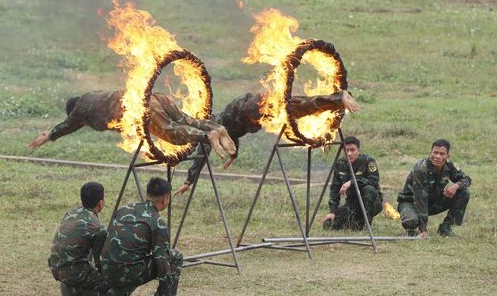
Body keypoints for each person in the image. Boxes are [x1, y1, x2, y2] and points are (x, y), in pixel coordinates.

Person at [175, 90, 360, 195]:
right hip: (253, 108)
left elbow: (202, 153)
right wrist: (234, 154)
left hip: (252, 106)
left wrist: (189, 180)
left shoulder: (215, 128)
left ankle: (338, 98)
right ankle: (336, 99)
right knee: (297, 107)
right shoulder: (225, 128)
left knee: (295, 107)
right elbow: (233, 137)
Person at [28, 90, 235, 160]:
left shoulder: (84, 104)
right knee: (185, 120)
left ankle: (206, 136)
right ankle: (215, 128)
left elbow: (69, 124)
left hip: (143, 106)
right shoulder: (99, 101)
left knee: (172, 133)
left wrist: (50, 136)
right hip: (156, 97)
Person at [100, 177, 182, 296]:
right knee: (175, 256)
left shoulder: (124, 209)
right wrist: (165, 289)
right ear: (165, 200)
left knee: (133, 258)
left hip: (106, 269)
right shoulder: (158, 223)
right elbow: (162, 262)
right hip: (127, 273)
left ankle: (117, 292)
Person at [397, 139, 471, 237]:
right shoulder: (421, 169)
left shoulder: (449, 166)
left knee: (464, 193)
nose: (437, 157)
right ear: (430, 153)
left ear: (447, 156)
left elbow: (467, 179)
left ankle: (445, 228)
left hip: (433, 202)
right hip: (411, 203)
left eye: (442, 154)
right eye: (435, 153)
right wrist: (423, 229)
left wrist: (455, 186)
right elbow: (420, 199)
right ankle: (412, 231)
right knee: (411, 221)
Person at [48, 182, 109, 296]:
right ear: (100, 203)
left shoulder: (71, 214)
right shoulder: (98, 229)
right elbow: (101, 264)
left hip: (55, 266)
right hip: (73, 273)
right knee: (112, 283)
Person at [321, 136, 383, 230]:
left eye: (353, 150)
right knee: (331, 225)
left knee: (368, 189)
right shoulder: (340, 164)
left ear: (358, 150)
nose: (349, 153)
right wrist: (332, 211)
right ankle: (357, 222)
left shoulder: (368, 161)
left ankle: (367, 225)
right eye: (347, 150)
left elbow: (373, 181)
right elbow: (335, 188)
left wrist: (352, 182)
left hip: (372, 201)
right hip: (353, 203)